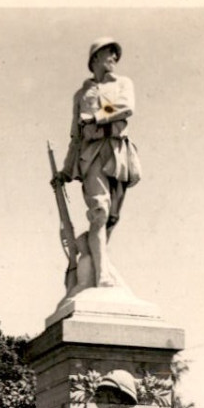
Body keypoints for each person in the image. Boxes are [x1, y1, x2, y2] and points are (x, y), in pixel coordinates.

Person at [52, 38, 141, 289]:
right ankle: (102, 274)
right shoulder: (81, 94)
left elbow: (126, 107)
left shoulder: (124, 83)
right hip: (91, 155)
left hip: (117, 153)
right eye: (109, 53)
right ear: (95, 59)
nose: (114, 58)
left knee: (111, 217)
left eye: (115, 54)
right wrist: (66, 171)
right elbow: (75, 136)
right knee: (99, 211)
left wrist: (95, 117)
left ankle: (84, 248)